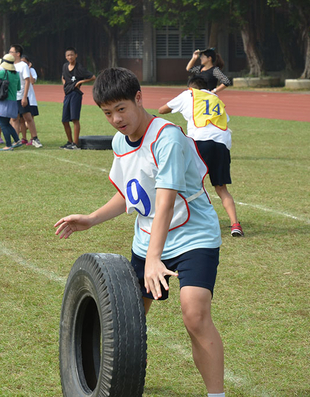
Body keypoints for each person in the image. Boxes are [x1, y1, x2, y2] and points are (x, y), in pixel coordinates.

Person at [54, 67, 225, 396]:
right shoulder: (120, 142)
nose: (116, 120)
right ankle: (112, 385)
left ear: (138, 98)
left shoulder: (167, 137)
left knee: (194, 312)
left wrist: (153, 259)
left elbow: (165, 202)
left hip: (193, 236)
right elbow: (130, 193)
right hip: (148, 238)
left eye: (121, 109)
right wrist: (91, 219)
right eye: (107, 113)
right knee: (125, 318)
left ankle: (215, 395)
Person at [159, 75, 243, 237]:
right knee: (221, 188)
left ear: (191, 87)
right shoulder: (215, 98)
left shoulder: (188, 94)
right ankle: (235, 224)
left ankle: (190, 221)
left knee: (190, 184)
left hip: (200, 142)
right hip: (222, 143)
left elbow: (162, 109)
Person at [60, 47, 95, 150]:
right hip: (67, 94)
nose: (70, 57)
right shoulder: (65, 66)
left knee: (75, 119)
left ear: (76, 55)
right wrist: (65, 85)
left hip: (76, 94)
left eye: (72, 55)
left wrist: (80, 82)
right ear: (65, 57)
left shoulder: (79, 68)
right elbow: (63, 76)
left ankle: (75, 144)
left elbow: (93, 77)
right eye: (68, 55)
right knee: (64, 120)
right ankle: (69, 142)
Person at [9, 44, 42, 148]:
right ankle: (16, 140)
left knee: (27, 117)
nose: (9, 54)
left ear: (18, 54)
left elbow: (27, 81)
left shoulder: (23, 65)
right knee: (14, 119)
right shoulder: (9, 65)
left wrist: (24, 97)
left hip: (21, 96)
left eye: (11, 52)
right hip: (12, 97)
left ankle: (35, 139)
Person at [19, 54, 40, 144]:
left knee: (30, 119)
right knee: (21, 120)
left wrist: (28, 69)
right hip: (20, 97)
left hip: (30, 99)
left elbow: (32, 81)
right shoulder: (18, 70)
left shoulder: (31, 70)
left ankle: (33, 138)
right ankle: (24, 138)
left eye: (25, 62)